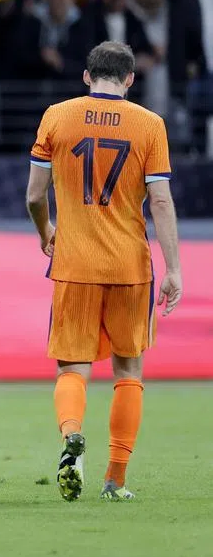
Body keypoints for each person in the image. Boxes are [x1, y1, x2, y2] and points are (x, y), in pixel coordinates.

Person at [26, 40, 182, 502]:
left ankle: (72, 434)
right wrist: (173, 268)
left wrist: (45, 230)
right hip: (130, 266)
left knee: (71, 366)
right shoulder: (150, 125)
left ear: (86, 76)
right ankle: (115, 479)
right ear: (130, 79)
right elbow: (160, 201)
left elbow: (34, 195)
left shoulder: (57, 116)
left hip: (74, 262)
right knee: (128, 369)